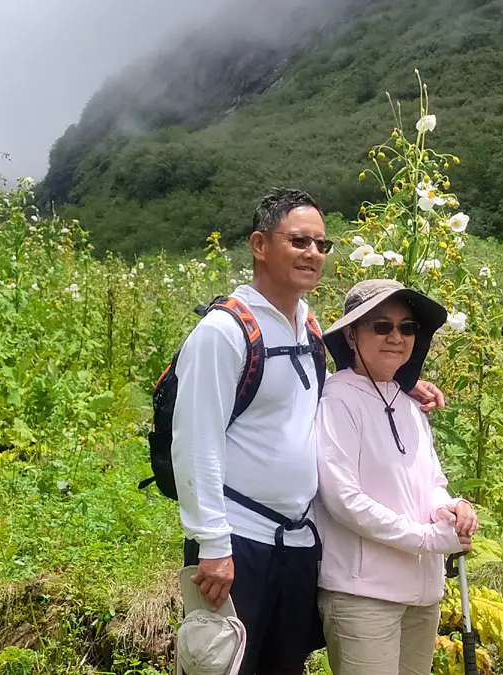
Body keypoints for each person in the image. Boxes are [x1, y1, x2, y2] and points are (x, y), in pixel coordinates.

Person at [170, 188, 447, 675]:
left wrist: (406, 384)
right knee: (225, 666)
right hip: (238, 541)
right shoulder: (224, 331)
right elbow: (195, 442)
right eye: (299, 241)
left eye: (322, 245)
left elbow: (346, 382)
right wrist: (212, 545)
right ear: (260, 244)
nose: (313, 254)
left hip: (298, 544)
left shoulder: (307, 328)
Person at [313, 278, 479, 675]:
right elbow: (342, 500)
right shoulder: (337, 400)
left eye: (407, 328)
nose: (397, 337)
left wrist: (453, 508)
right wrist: (425, 539)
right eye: (382, 326)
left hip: (422, 595)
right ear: (352, 335)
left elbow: (431, 485)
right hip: (363, 595)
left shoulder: (407, 404)